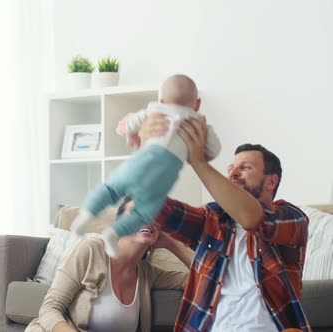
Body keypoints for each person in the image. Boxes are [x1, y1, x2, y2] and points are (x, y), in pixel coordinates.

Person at [139, 113, 312, 331]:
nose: (233, 173)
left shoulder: (292, 219)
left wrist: (199, 162)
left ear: (271, 181)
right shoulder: (213, 218)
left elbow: (252, 218)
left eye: (246, 167)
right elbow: (164, 212)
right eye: (231, 168)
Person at [72, 74, 221, 258]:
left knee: (111, 188)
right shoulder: (199, 124)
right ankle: (114, 233)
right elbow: (215, 149)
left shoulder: (155, 110)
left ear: (161, 100)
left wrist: (131, 135)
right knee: (144, 213)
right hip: (162, 177)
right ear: (197, 104)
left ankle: (84, 218)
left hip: (140, 162)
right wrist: (200, 154)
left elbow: (131, 122)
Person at [25, 197, 194, 332]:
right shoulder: (91, 249)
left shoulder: (149, 274)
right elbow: (49, 309)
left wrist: (173, 244)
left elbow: (206, 278)